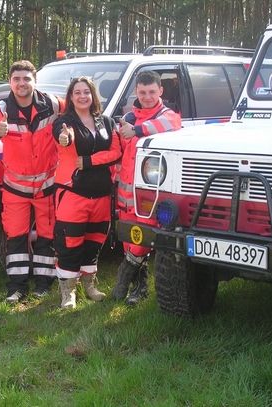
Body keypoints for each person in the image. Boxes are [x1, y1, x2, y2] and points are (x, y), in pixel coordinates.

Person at [0, 60, 65, 303]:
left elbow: (80, 106)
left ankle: (44, 283)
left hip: (46, 186)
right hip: (16, 188)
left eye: (26, 79)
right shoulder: (2, 108)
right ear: (10, 82)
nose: (22, 83)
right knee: (15, 237)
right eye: (17, 79)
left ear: (34, 81)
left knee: (47, 236)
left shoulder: (52, 104)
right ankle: (16, 288)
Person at [112, 71, 182, 306]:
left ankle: (125, 273)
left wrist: (136, 130)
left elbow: (166, 124)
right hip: (125, 194)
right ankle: (138, 289)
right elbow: (120, 149)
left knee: (142, 241)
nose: (148, 97)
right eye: (142, 92)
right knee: (128, 242)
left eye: (152, 91)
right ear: (136, 92)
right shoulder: (129, 116)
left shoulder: (167, 116)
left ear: (161, 91)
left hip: (150, 196)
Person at [53, 77, 121, 309]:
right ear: (70, 97)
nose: (82, 96)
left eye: (86, 92)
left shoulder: (106, 122)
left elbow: (116, 152)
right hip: (73, 192)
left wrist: (89, 161)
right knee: (69, 243)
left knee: (94, 241)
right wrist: (65, 139)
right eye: (77, 92)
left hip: (101, 193)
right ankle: (68, 292)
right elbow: (64, 137)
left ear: (93, 95)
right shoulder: (64, 122)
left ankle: (89, 285)